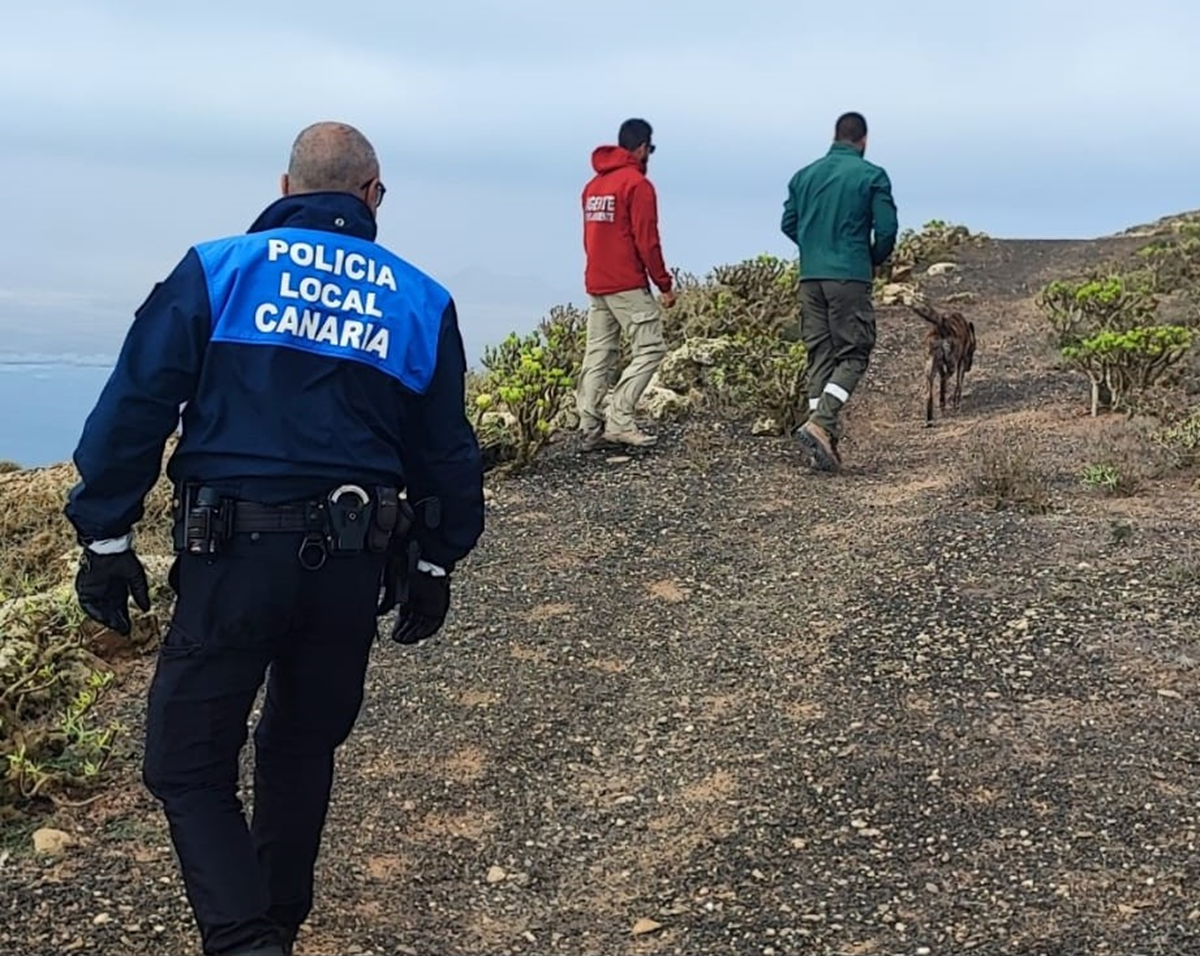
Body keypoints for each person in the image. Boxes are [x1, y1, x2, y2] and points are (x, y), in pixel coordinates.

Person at [63, 121, 485, 956]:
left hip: (233, 556)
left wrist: (104, 536)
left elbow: (138, 404)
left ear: (286, 190)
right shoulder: (420, 299)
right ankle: (276, 919)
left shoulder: (218, 271)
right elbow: (445, 448)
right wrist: (437, 558)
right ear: (373, 196)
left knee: (186, 765)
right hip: (352, 562)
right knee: (300, 742)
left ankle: (246, 940)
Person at [780, 111, 898, 472]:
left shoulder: (804, 176)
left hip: (810, 277)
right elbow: (888, 229)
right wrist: (871, 257)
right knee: (855, 353)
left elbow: (788, 223)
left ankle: (822, 442)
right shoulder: (871, 176)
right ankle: (822, 422)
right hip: (849, 275)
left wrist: (815, 247)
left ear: (835, 136)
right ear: (864, 140)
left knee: (820, 354)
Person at [576, 117, 676, 450]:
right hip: (627, 283)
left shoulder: (593, 187)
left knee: (599, 353)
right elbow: (647, 240)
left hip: (597, 281)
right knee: (650, 348)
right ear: (643, 147)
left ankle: (589, 424)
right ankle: (620, 419)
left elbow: (591, 238)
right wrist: (663, 283)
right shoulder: (637, 185)